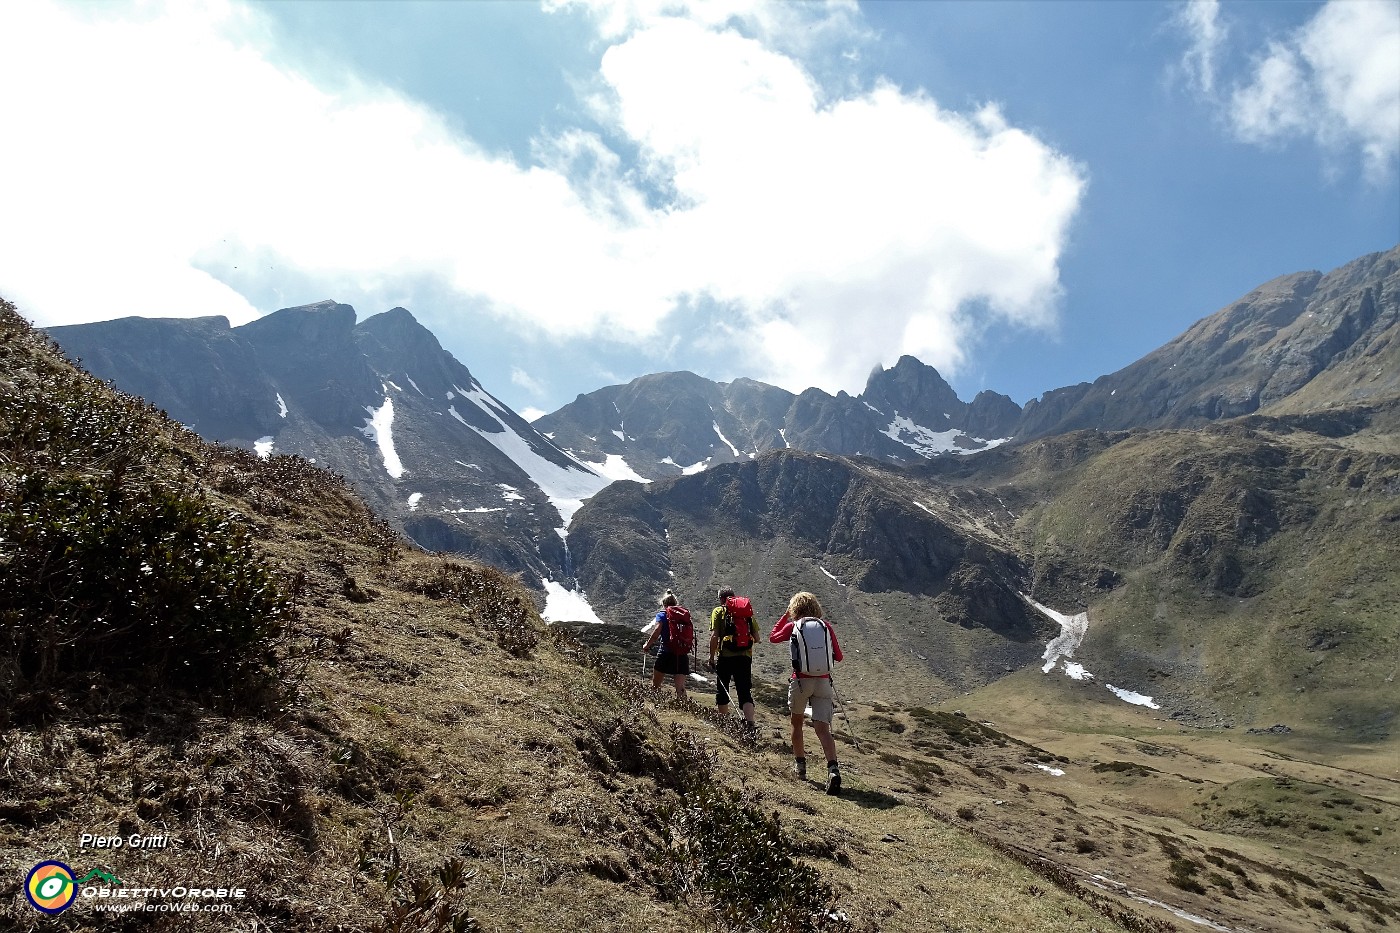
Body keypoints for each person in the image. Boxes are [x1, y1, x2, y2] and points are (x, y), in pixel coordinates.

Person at [768, 591, 844, 795]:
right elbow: (839, 656)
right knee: (823, 729)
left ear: (795, 609)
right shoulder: (825, 626)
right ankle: (833, 769)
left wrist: (785, 616)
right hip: (823, 683)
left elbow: (773, 638)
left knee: (796, 722)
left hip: (800, 681)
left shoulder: (793, 626)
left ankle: (800, 767)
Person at [707, 587, 761, 737]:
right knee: (744, 692)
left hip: (725, 657)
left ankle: (724, 726)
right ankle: (750, 724)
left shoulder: (718, 611)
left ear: (721, 599)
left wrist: (711, 657)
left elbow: (714, 637)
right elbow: (757, 638)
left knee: (722, 690)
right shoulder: (746, 612)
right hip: (744, 658)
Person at [642, 590, 691, 701]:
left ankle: (656, 705)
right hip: (682, 654)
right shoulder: (683, 615)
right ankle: (685, 710)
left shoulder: (662, 615)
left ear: (664, 604)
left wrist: (647, 645)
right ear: (675, 603)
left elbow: (656, 632)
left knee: (656, 684)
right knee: (680, 688)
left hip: (666, 652)